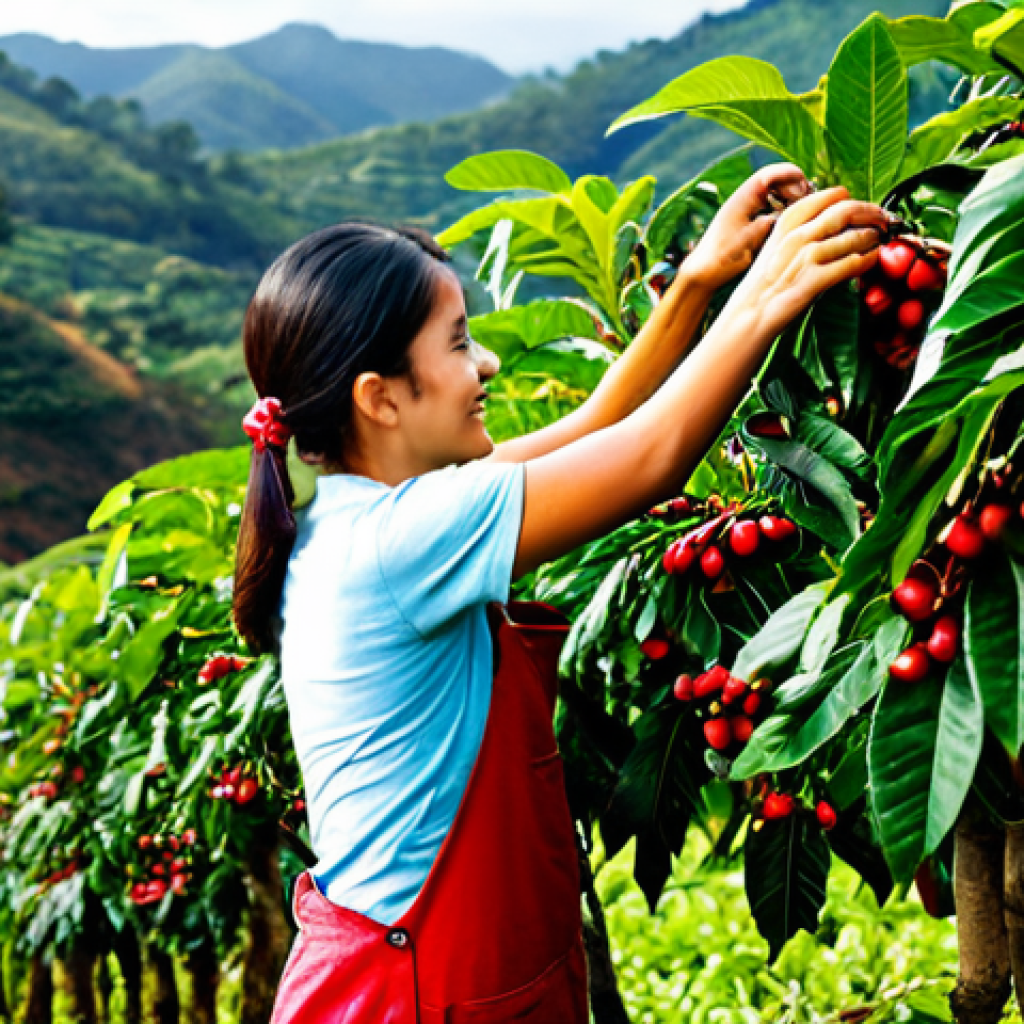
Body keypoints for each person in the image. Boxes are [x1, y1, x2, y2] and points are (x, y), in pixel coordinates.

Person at [231, 164, 889, 1022]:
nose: (488, 362)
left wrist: (694, 287)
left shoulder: (371, 518)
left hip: (434, 968)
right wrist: (765, 298)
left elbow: (596, 431)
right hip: (425, 985)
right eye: (460, 342)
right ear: (382, 399)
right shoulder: (405, 539)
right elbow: (652, 459)